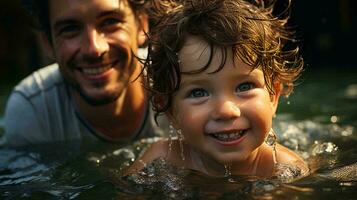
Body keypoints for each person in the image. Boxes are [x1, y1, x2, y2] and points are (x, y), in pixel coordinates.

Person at [127, 0, 309, 178]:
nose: (226, 111)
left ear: (273, 96)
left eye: (244, 86)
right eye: (199, 93)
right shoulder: (161, 158)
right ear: (170, 110)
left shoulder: (285, 170)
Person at [3, 0, 167, 147]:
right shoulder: (34, 110)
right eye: (70, 29)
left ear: (142, 25)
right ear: (47, 43)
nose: (94, 49)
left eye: (110, 21)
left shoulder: (176, 81)